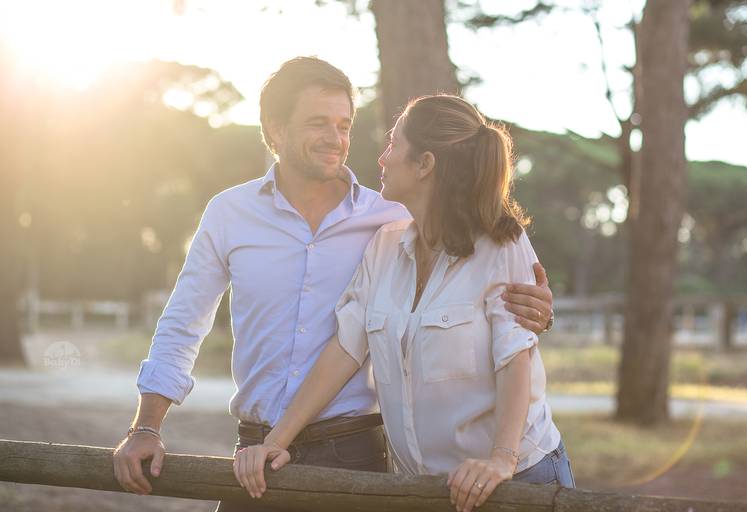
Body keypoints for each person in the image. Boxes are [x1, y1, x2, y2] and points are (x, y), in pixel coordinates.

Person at [111, 58, 555, 512]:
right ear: (275, 129)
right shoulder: (233, 215)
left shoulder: (392, 217)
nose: (337, 139)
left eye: (344, 124)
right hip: (258, 452)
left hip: (358, 453)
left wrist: (537, 308)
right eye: (318, 123)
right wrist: (146, 426)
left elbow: (491, 273)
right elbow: (185, 321)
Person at [235, 95, 574, 512]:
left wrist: (500, 461)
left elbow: (514, 359)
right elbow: (345, 348)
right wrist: (276, 442)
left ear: (425, 164)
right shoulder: (384, 246)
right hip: (425, 490)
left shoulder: (502, 245)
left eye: (393, 145)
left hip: (516, 480)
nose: (381, 158)